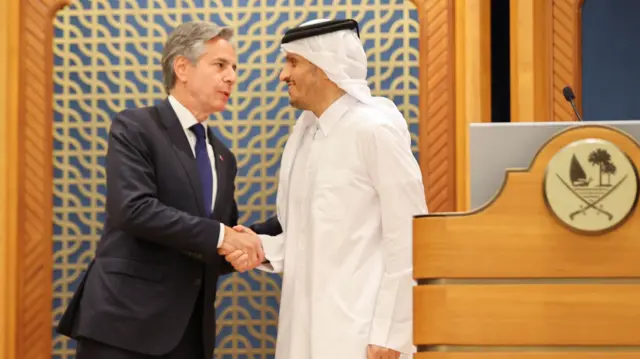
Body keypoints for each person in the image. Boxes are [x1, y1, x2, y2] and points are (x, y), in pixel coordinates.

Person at [56, 21, 267, 359]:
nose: (232, 77)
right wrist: (223, 238)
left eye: (234, 68)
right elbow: (133, 209)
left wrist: (259, 239)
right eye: (220, 65)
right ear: (182, 67)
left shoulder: (224, 156)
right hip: (124, 327)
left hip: (189, 335)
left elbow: (212, 242)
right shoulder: (135, 127)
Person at [223, 18, 428, 359]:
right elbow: (311, 238)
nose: (282, 75)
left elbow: (410, 236)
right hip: (303, 326)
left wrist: (392, 333)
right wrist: (260, 246)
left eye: (293, 62)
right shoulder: (303, 136)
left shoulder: (374, 131)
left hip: (361, 333)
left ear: (325, 68)